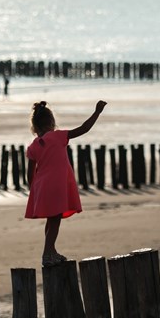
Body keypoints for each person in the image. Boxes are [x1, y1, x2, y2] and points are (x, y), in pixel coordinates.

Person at [25, 100, 107, 267]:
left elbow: (30, 173)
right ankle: (47, 254)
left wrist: (34, 191)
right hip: (56, 185)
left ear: (34, 126)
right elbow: (83, 129)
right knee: (55, 220)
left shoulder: (33, 146)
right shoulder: (59, 136)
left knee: (52, 220)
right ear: (51, 122)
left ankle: (51, 250)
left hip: (41, 186)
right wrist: (97, 112)